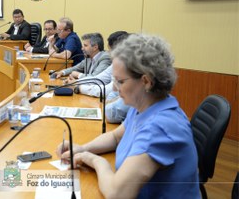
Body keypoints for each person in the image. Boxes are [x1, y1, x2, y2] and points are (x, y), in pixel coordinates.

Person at [57, 34, 200, 199]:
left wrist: (95, 160)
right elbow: (115, 137)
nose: (116, 89)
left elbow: (117, 194)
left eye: (120, 82)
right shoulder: (143, 105)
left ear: (146, 81)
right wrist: (82, 148)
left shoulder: (161, 127)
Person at [78, 31, 129, 97]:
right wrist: (76, 82)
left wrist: (80, 88)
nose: (108, 52)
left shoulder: (126, 66)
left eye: (110, 50)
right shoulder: (117, 63)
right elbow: (98, 79)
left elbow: (108, 90)